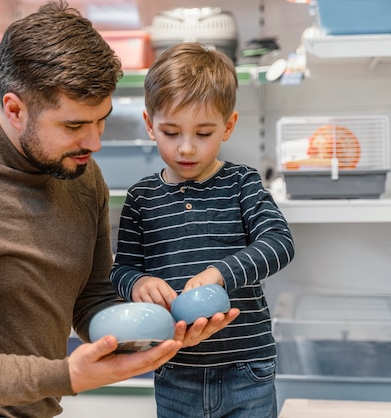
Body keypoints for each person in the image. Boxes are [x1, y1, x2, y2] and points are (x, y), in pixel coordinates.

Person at [0, 3, 239, 418]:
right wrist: (66, 375)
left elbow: (91, 302)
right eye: (73, 126)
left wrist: (158, 330)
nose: (94, 142)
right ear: (15, 110)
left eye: (101, 120)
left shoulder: (83, 177)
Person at [110, 42, 295, 418]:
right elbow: (121, 268)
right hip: (174, 369)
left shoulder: (242, 183)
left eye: (204, 132)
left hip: (247, 369)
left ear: (228, 126)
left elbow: (279, 243)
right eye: (171, 132)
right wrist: (137, 284)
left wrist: (220, 274)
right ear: (149, 125)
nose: (187, 148)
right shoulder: (142, 198)